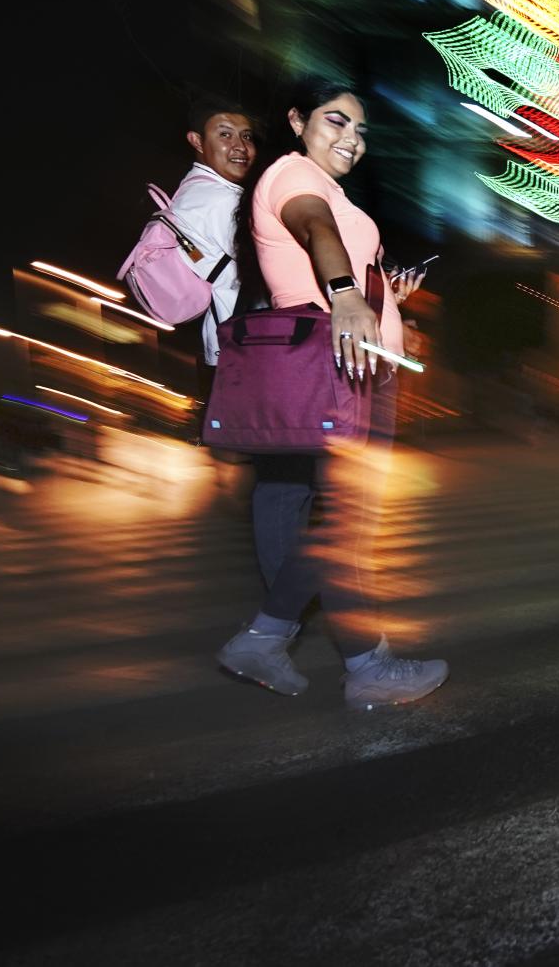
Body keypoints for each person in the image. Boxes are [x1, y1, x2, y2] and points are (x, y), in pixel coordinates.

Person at [214, 78, 447, 710]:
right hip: (339, 369)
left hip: (360, 365)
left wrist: (382, 299)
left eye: (361, 130)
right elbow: (313, 227)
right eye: (336, 121)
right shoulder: (293, 177)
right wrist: (346, 293)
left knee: (346, 526)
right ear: (297, 121)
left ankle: (281, 642)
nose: (352, 138)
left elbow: (328, 243)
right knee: (346, 527)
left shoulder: (327, 188)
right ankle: (338, 658)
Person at [169, 96, 257, 375]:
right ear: (196, 141)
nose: (240, 147)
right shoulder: (216, 199)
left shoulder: (193, 189)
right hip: (247, 345)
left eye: (246, 136)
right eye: (225, 135)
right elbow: (271, 261)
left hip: (229, 343)